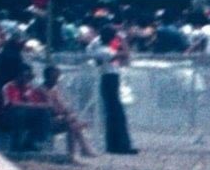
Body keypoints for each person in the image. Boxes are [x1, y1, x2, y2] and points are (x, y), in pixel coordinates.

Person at [88, 25, 138, 154]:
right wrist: (122, 39)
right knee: (116, 114)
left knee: (114, 114)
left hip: (110, 79)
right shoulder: (104, 51)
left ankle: (115, 145)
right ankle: (120, 146)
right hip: (109, 79)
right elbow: (126, 54)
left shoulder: (99, 48)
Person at [37, 65, 97, 161]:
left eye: (57, 78)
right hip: (44, 122)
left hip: (56, 119)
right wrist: (65, 113)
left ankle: (73, 153)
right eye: (54, 78)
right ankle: (81, 150)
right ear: (47, 77)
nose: (56, 81)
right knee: (73, 124)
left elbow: (62, 106)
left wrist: (68, 113)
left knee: (72, 125)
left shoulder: (54, 89)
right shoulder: (42, 90)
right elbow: (52, 109)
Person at [2, 64, 52, 151]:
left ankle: (31, 141)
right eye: (25, 76)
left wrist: (44, 94)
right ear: (18, 75)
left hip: (26, 115)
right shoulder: (8, 87)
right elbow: (12, 103)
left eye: (29, 76)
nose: (27, 79)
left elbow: (45, 103)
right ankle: (16, 144)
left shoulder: (29, 88)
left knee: (44, 113)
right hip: (10, 116)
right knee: (19, 113)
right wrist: (34, 105)